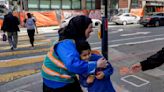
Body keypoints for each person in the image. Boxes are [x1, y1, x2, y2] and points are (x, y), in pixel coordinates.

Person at [41, 15, 108, 92]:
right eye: (90, 27)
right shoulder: (65, 43)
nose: (92, 30)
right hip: (56, 82)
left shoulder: (73, 39)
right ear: (81, 29)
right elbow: (72, 64)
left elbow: (76, 54)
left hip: (63, 77)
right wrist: (96, 64)